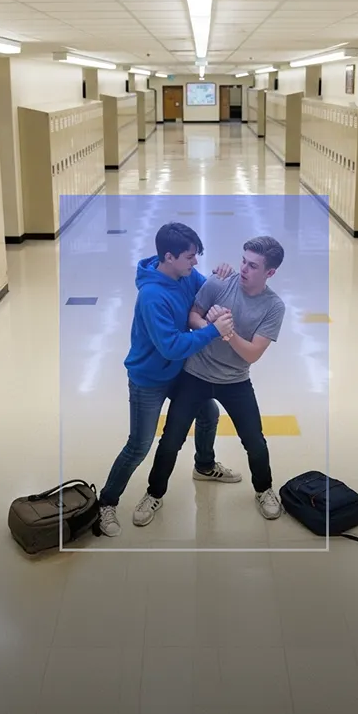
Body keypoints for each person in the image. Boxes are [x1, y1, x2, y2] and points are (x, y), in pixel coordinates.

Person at [98, 222, 242, 537]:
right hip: (149, 378)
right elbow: (172, 345)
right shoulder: (152, 296)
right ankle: (106, 502)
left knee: (208, 413)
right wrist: (212, 331)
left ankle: (205, 466)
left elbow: (212, 290)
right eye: (190, 257)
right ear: (169, 256)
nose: (195, 263)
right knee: (139, 445)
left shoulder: (186, 276)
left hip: (179, 371)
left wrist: (225, 274)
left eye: (197, 256)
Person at [133, 234, 286, 528]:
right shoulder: (218, 283)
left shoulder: (274, 307)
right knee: (171, 439)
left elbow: (252, 353)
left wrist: (226, 333)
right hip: (196, 374)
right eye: (243, 261)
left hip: (236, 380)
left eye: (253, 266)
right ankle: (154, 493)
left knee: (254, 440)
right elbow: (193, 315)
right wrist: (210, 326)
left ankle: (264, 490)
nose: (243, 269)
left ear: (270, 273)